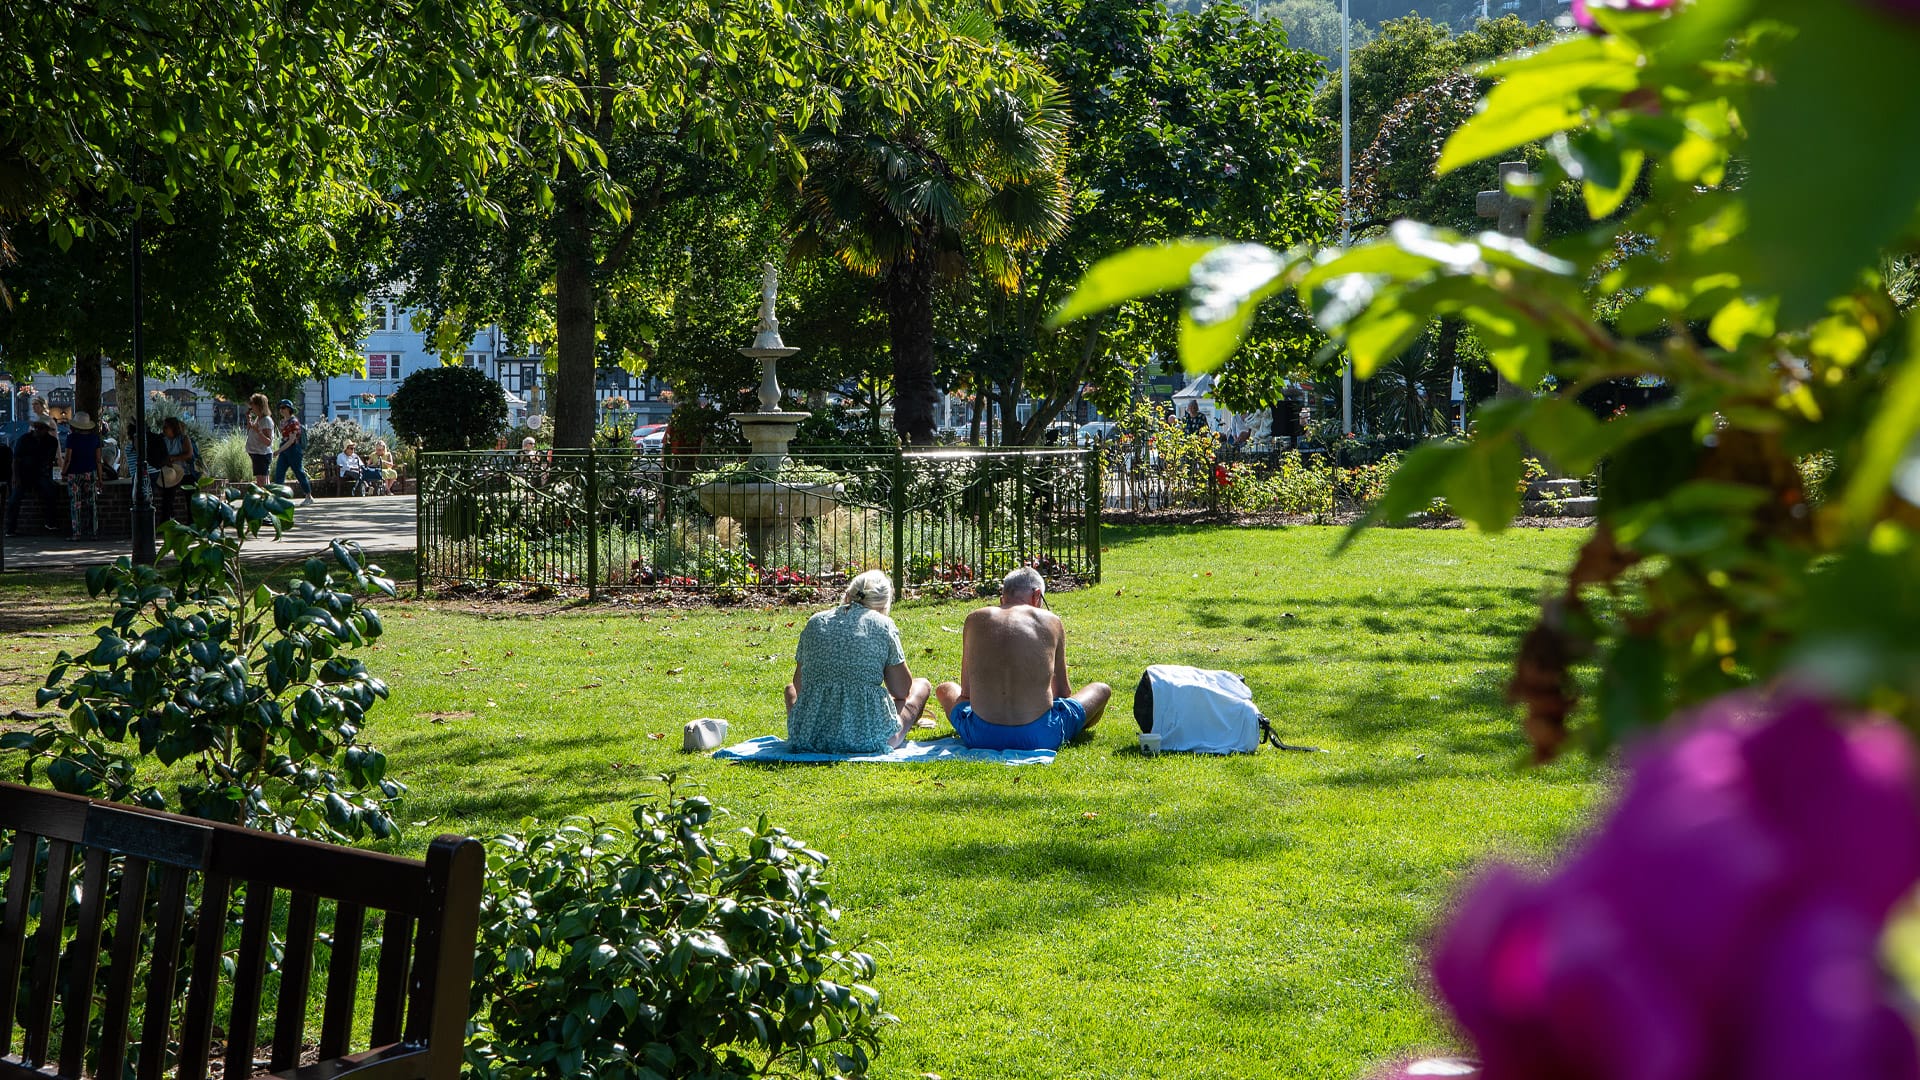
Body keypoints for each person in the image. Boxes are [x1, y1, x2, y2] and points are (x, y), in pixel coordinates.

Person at [935, 567, 1110, 751]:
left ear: (1003, 598)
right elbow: (1062, 693)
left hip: (981, 736)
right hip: (1041, 736)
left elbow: (967, 694)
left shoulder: (974, 619)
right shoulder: (1051, 620)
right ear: (1037, 595)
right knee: (1101, 689)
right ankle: (1072, 731)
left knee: (945, 689)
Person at [785, 570, 934, 754]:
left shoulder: (815, 621)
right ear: (885, 603)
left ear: (848, 594)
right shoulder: (883, 625)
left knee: (790, 690)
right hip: (868, 737)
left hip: (810, 737)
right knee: (921, 686)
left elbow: (799, 686)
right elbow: (902, 690)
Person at [6, 419, 62, 535]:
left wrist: (49, 476)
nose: (37, 430)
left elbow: (49, 461)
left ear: (46, 430)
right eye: (36, 427)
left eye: (40, 428)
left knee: (51, 493)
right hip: (23, 474)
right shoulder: (24, 439)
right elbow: (16, 459)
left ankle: (50, 522)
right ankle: (10, 528)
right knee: (14, 499)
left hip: (41, 474)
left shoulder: (51, 442)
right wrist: (15, 477)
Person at [61, 410, 103, 538]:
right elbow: (98, 460)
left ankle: (77, 533)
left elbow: (68, 458)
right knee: (92, 504)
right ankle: (94, 532)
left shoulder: (71, 438)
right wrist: (100, 478)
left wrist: (63, 472)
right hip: (90, 473)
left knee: (76, 504)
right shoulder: (95, 438)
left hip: (74, 474)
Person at [271, 399, 315, 505]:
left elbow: (291, 440)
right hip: (285, 450)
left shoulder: (294, 422)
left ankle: (309, 496)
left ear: (289, 409)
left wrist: (278, 451)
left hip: (294, 450)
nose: (281, 410)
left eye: (283, 408)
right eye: (280, 408)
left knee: (299, 472)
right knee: (279, 473)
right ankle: (277, 498)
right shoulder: (283, 422)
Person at [156, 416, 200, 522]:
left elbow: (189, 454)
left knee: (190, 497)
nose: (164, 429)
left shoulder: (183, 439)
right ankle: (166, 522)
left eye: (166, 427)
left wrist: (174, 458)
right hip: (170, 473)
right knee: (167, 498)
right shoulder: (162, 439)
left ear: (173, 428)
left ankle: (192, 523)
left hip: (185, 472)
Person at [244, 393, 276, 485]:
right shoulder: (259, 418)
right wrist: (249, 421)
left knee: (261, 482)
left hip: (262, 454)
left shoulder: (266, 420)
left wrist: (258, 431)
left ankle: (264, 498)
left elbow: (268, 442)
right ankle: (265, 498)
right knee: (262, 480)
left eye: (252, 404)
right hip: (257, 454)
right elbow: (250, 431)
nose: (251, 406)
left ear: (259, 405)